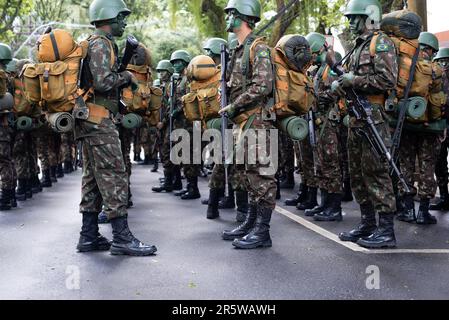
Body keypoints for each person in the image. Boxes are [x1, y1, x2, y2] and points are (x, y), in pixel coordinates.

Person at [76, 0, 156, 256]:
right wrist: (127, 78)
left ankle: (88, 236)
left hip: (91, 121)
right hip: (99, 121)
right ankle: (122, 237)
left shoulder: (94, 43)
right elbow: (102, 82)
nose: (124, 22)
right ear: (108, 17)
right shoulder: (101, 44)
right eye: (121, 17)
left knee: (92, 178)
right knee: (114, 174)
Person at [333, 0, 398, 249]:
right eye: (349, 18)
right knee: (357, 174)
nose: (350, 22)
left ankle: (386, 230)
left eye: (354, 18)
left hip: (374, 117)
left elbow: (387, 79)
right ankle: (368, 222)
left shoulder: (380, 43)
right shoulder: (358, 46)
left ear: (368, 17)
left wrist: (354, 80)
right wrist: (341, 84)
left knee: (376, 173)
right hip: (356, 118)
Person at [220, 0, 277, 249]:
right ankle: (252, 222)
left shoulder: (258, 48)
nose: (227, 18)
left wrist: (235, 105)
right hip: (243, 123)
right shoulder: (238, 49)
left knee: (261, 174)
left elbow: (263, 85)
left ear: (242, 16)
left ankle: (262, 231)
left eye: (230, 13)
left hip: (257, 121)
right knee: (246, 175)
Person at [396, 32, 445, 225]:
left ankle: (407, 209)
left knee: (406, 167)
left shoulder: (406, 68)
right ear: (432, 50)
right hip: (430, 127)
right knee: (427, 168)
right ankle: (423, 212)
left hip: (408, 125)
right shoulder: (437, 70)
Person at [306, 32, 344, 222]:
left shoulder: (332, 64)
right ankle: (324, 203)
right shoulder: (319, 69)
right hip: (320, 119)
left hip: (329, 120)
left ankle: (334, 207)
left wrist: (317, 98)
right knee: (320, 163)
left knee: (331, 163)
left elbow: (336, 91)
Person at [430, 47, 449, 211]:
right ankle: (444, 197)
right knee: (440, 163)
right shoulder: (437, 80)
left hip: (443, 125)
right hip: (442, 126)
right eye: (441, 61)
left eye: (446, 61)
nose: (444, 65)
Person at [0, 43, 16, 210]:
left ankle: (5, 197)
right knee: (8, 160)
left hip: (2, 124)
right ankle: (10, 194)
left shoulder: (2, 76)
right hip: (7, 124)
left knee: (4, 161)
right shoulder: (9, 77)